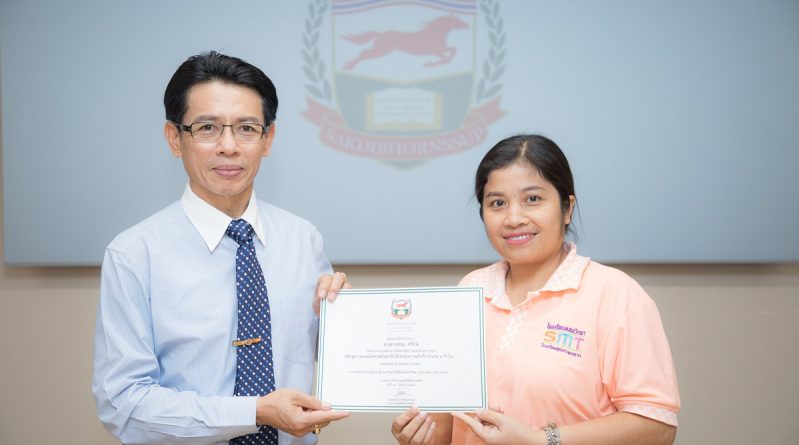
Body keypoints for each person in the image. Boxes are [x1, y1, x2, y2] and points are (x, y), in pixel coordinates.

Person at [92, 51, 349, 445]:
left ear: (267, 139)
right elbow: (124, 404)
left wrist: (342, 322)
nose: (229, 146)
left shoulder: (303, 239)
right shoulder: (134, 254)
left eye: (246, 128)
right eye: (208, 128)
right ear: (174, 138)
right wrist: (253, 412)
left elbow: (333, 363)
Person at [389, 134, 680, 445]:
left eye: (533, 199)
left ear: (567, 208)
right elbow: (449, 426)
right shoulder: (470, 290)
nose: (514, 218)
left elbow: (657, 427)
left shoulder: (616, 294)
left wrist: (541, 440)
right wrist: (420, 436)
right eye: (498, 203)